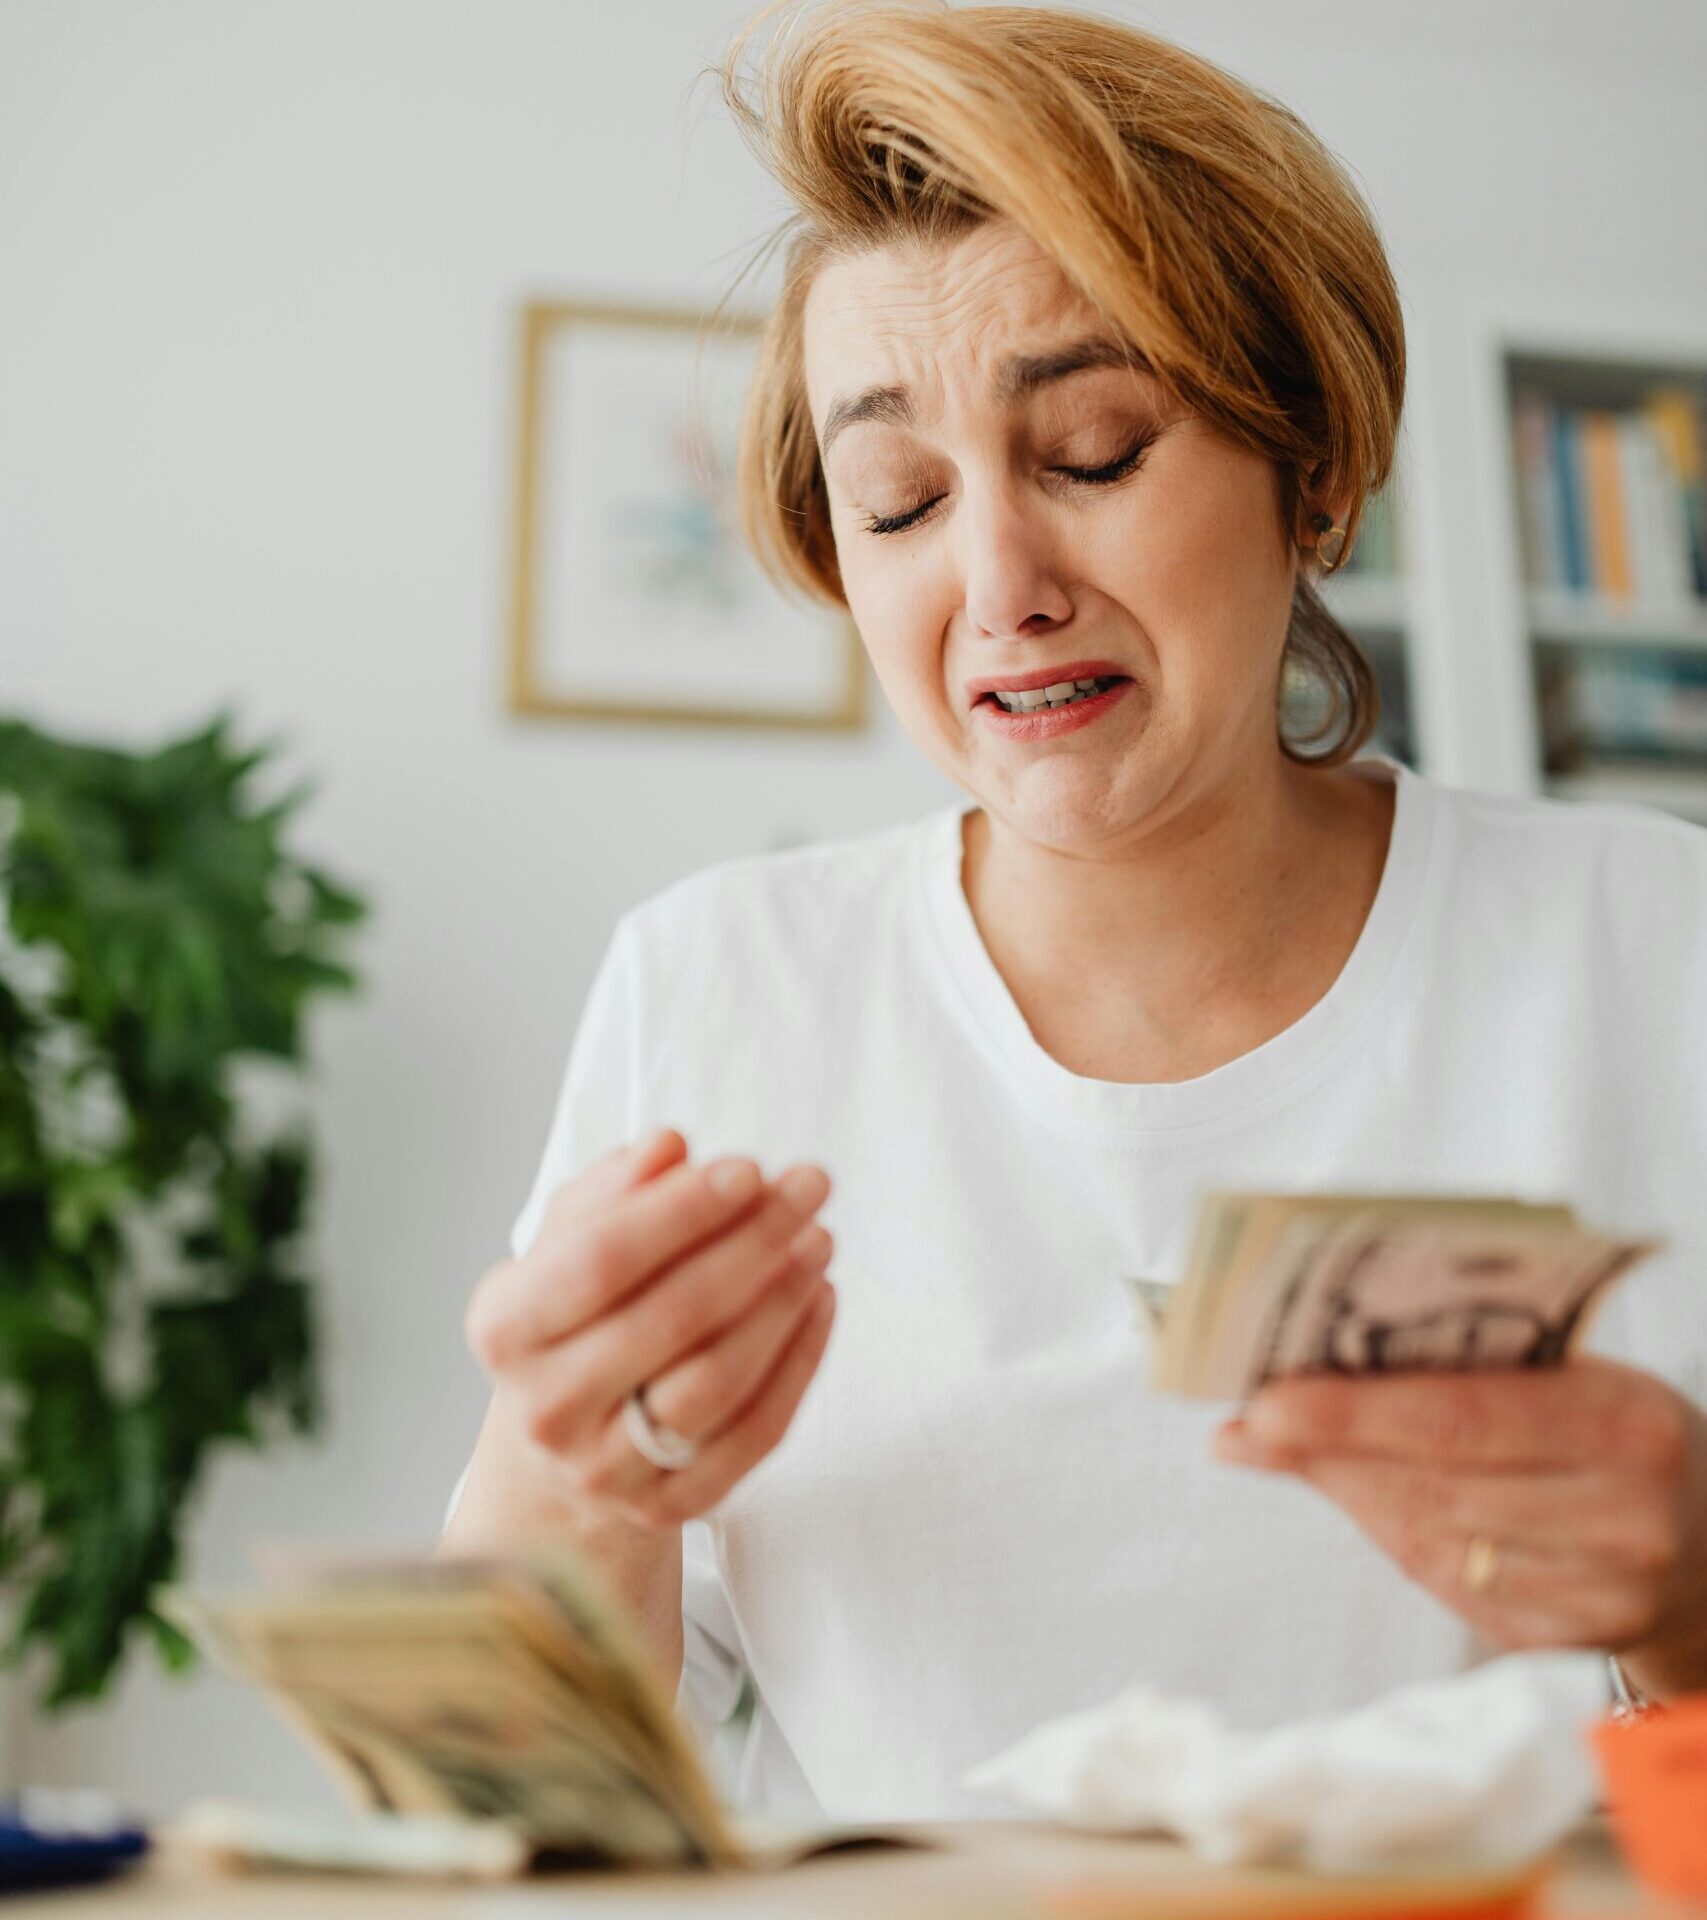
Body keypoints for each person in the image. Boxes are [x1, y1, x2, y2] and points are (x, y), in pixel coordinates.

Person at [442, 0, 1707, 1820]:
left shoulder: (1652, 945)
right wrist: (576, 1477)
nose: (1000, 585)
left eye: (1097, 452)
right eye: (897, 502)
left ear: (1319, 475)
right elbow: (504, 1813)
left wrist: (1688, 1586)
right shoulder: (717, 984)